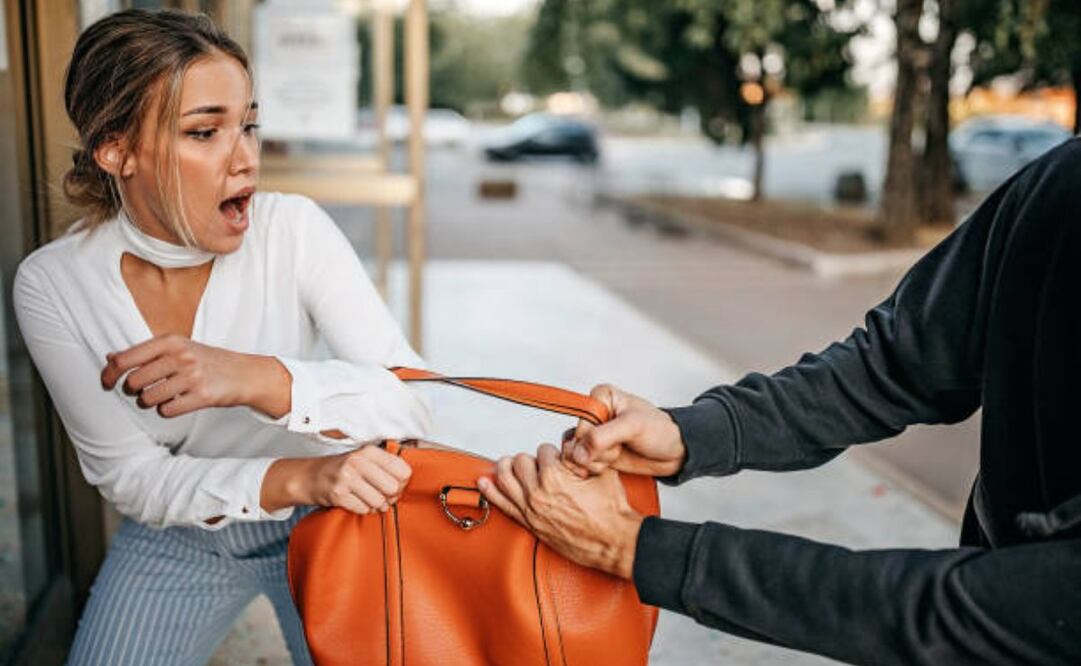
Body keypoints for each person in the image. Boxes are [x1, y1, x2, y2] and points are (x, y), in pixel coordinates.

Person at [479, 137, 1081, 664]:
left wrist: (635, 546)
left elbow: (984, 610)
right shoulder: (1063, 181)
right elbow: (892, 363)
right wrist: (691, 434)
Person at [13, 9, 429, 665]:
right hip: (181, 535)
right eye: (205, 132)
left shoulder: (291, 230)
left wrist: (256, 377)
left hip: (336, 523)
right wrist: (303, 476)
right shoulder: (54, 283)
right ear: (116, 150)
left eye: (249, 126)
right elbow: (134, 479)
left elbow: (409, 400)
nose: (245, 158)